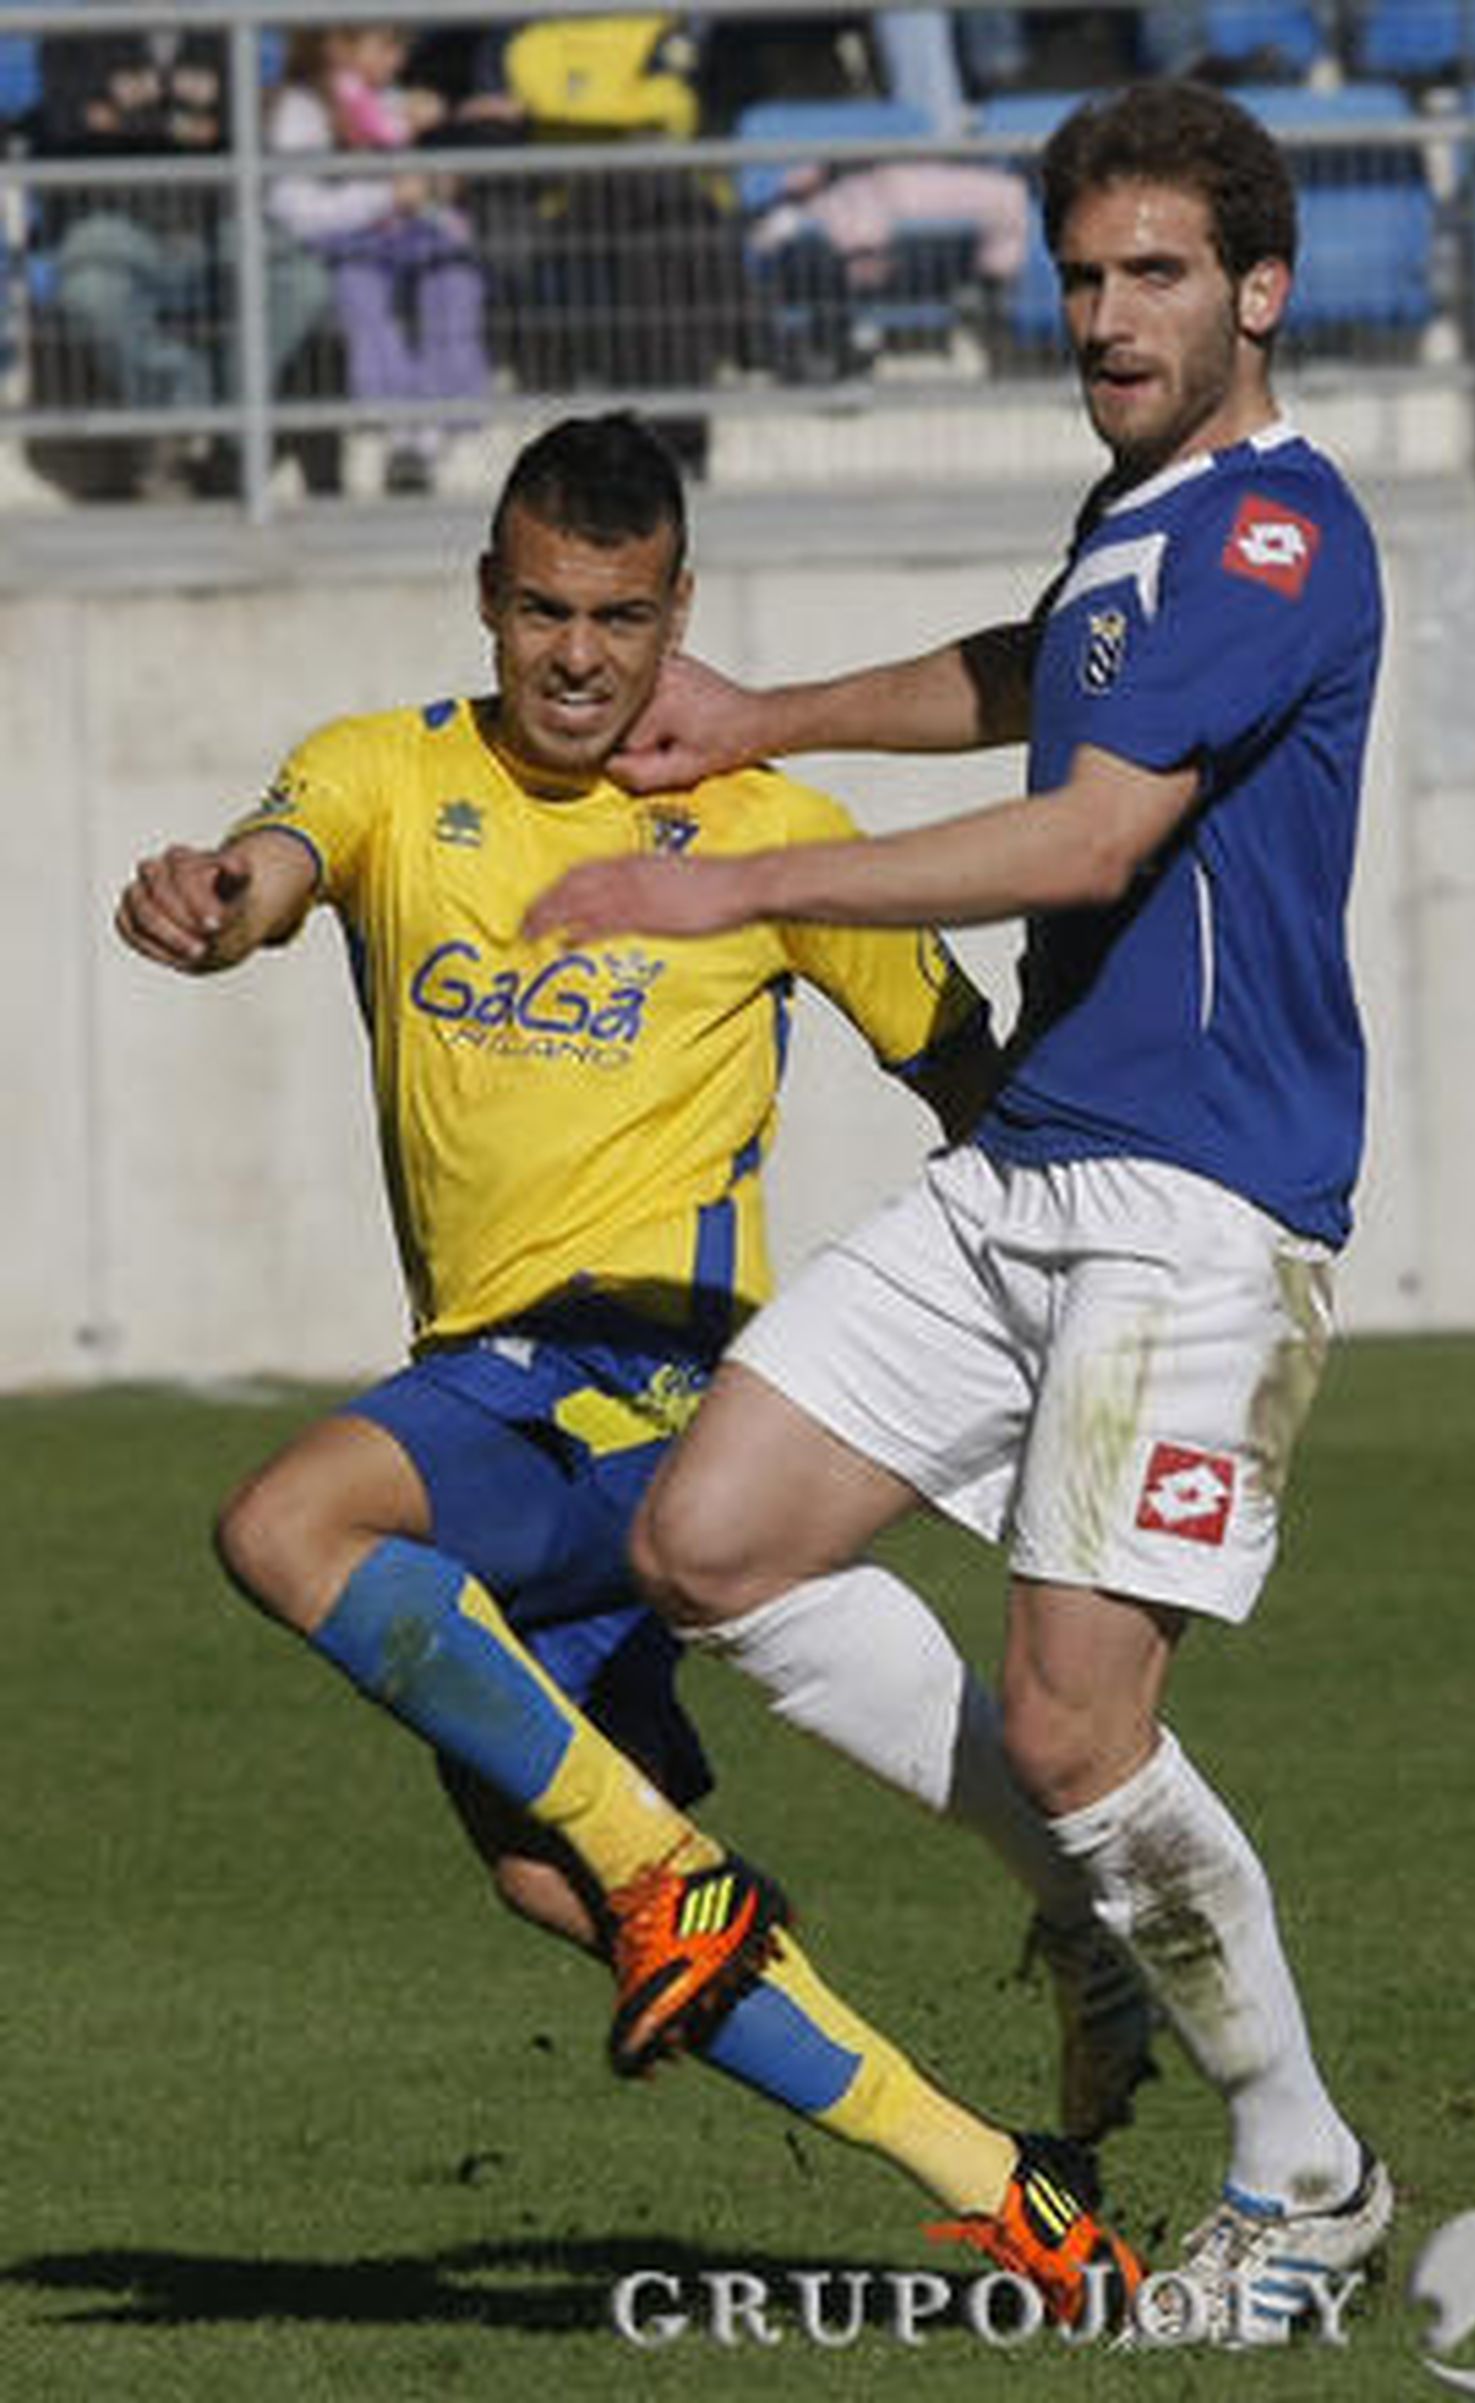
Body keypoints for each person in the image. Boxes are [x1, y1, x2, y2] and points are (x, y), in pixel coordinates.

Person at [113, 411, 1142, 2328]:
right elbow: (266, 868)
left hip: (644, 1390)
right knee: (570, 1886)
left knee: (286, 1522)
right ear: (486, 600)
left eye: (620, 616)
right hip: (482, 1389)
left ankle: (695, 1885)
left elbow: (976, 1085)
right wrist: (204, 902)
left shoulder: (769, 830)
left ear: (681, 617)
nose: (576, 654)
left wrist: (1113, 1285)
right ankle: (1007, 2190)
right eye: (540, 611)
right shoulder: (386, 776)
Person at [523, 83, 1395, 2344]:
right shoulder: (1137, 517)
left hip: (1195, 1198)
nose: (1104, 316)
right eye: (1081, 274)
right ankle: (1093, 1914)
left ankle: (1301, 2177)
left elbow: (1091, 834)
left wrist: (736, 878)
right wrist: (752, 719)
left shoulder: (1282, 531)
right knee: (706, 1544)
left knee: (1081, 1719)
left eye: (1154, 277)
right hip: (1026, 1166)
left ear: (1257, 293)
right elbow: (1035, 676)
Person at [30, 12, 330, 498]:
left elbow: (238, 129)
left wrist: (123, 120)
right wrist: (182, 126)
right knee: (89, 290)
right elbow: (70, 127)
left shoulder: (218, 31)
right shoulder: (74, 35)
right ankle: (183, 398)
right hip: (114, 219)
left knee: (303, 281)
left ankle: (232, 431)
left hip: (211, 219)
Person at [266, 24, 492, 496]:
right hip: (345, 246)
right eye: (386, 47)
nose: (399, 59)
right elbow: (297, 210)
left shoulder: (387, 102)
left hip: (404, 237)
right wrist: (386, 196)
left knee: (454, 277)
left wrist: (433, 185)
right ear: (338, 47)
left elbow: (410, 183)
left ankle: (439, 428)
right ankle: (399, 426)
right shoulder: (302, 109)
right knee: (360, 293)